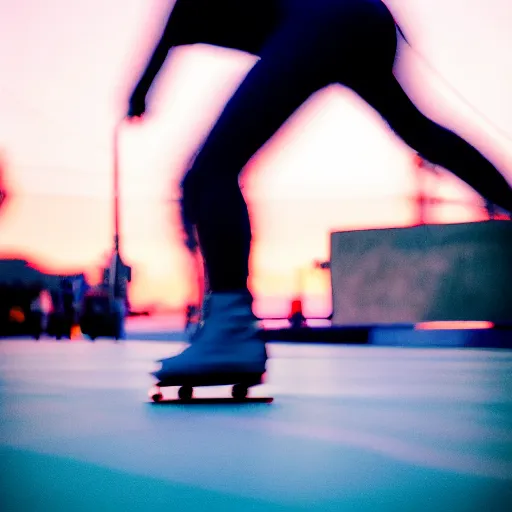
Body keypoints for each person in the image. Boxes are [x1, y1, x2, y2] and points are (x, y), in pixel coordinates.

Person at [127, 0, 512, 382]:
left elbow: (164, 45)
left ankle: (230, 331)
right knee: (418, 130)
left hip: (323, 25)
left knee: (210, 173)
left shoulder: (181, 16)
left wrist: (141, 92)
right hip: (362, 18)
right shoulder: (186, 18)